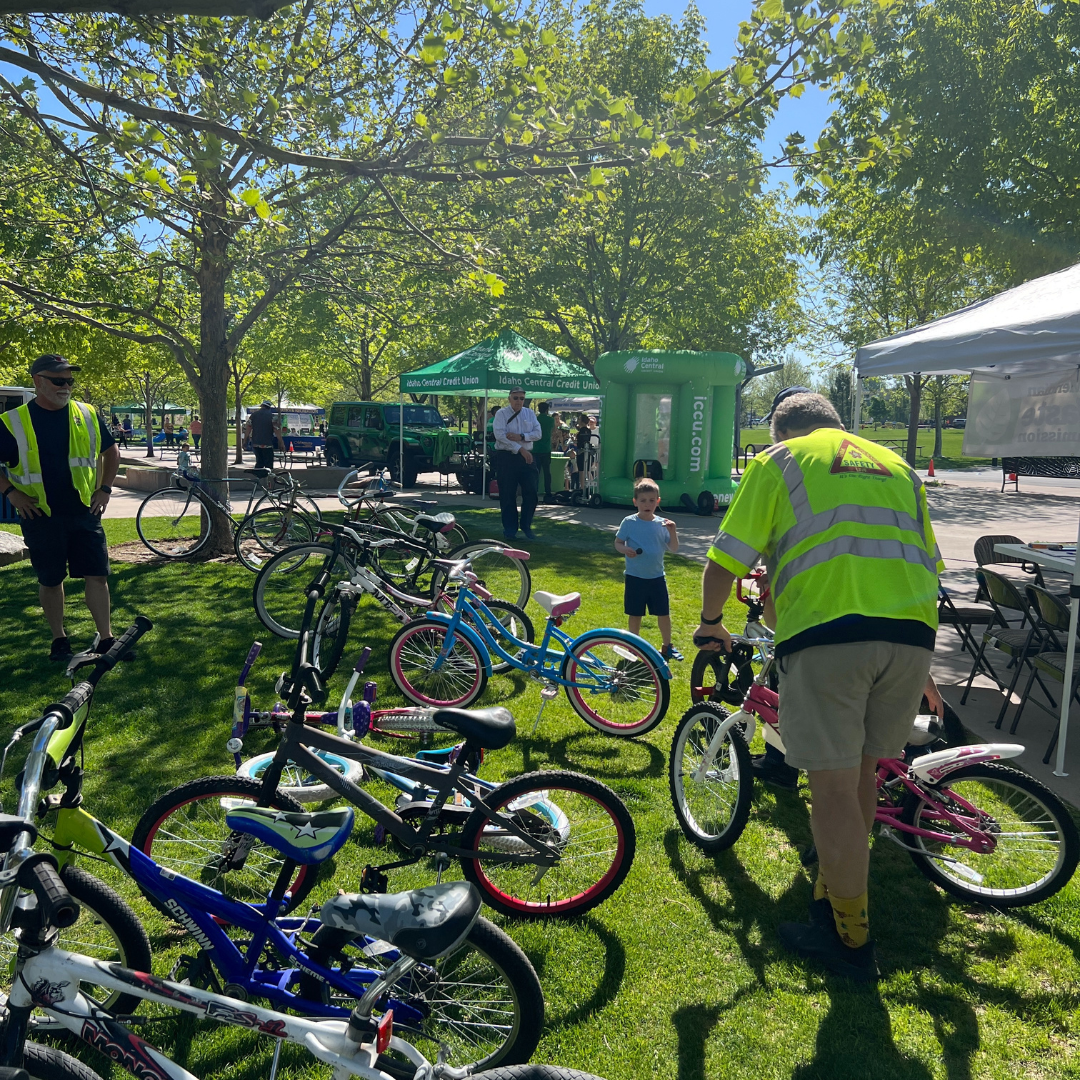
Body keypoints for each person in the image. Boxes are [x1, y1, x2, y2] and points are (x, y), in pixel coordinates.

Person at [695, 389, 943, 981]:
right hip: (911, 636)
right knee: (860, 777)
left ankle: (850, 943)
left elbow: (725, 559)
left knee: (829, 790)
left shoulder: (779, 461)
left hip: (831, 639)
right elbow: (926, 560)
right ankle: (831, 902)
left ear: (784, 430)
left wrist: (708, 623)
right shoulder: (901, 468)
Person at [0, 354, 123, 662]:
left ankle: (106, 639)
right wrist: (11, 493)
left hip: (84, 510)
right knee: (51, 580)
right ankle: (59, 639)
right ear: (38, 381)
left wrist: (105, 489)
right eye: (59, 380)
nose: (66, 386)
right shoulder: (12, 422)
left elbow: (111, 452)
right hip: (40, 515)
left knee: (97, 575)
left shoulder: (88, 413)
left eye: (70, 380)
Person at [614, 477, 682, 662]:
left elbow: (674, 548)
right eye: (643, 500)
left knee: (663, 613)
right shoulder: (629, 522)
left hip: (657, 577)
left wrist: (673, 531)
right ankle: (634, 646)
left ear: (658, 501)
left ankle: (667, 647)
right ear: (635, 501)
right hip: (635, 577)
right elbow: (618, 543)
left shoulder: (662, 524)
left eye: (652, 500)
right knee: (635, 614)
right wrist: (625, 549)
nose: (647, 504)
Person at [492, 387, 542, 540]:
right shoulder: (501, 414)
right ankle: (510, 529)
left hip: (526, 457)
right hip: (507, 457)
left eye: (522, 398)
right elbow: (500, 436)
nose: (519, 401)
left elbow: (538, 434)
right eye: (516, 398)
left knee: (532, 492)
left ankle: (526, 526)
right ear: (509, 399)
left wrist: (521, 436)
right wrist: (520, 448)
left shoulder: (529, 413)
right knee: (507, 494)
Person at [249, 400, 283, 470]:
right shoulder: (273, 417)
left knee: (259, 462)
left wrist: (245, 440)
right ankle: (268, 479)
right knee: (268, 464)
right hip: (267, 444)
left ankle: (258, 478)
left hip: (256, 443)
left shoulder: (253, 415)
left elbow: (248, 427)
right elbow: (276, 430)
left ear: (261, 406)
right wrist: (281, 442)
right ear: (269, 407)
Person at [534, 401, 554, 503]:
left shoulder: (535, 419)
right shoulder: (550, 420)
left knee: (535, 472)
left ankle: (534, 492)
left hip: (535, 449)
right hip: (546, 449)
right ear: (547, 410)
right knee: (547, 473)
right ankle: (548, 492)